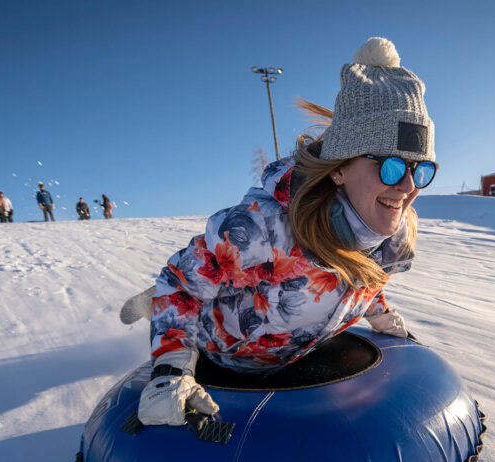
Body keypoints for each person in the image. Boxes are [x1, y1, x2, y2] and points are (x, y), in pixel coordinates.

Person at [137, 37, 437, 427]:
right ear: (339, 168)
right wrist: (171, 368)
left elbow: (358, 276)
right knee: (185, 288)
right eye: (392, 167)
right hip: (226, 359)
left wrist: (380, 315)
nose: (407, 186)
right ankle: (151, 303)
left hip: (294, 351)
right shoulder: (264, 229)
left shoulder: (388, 235)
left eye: (422, 169)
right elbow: (177, 284)